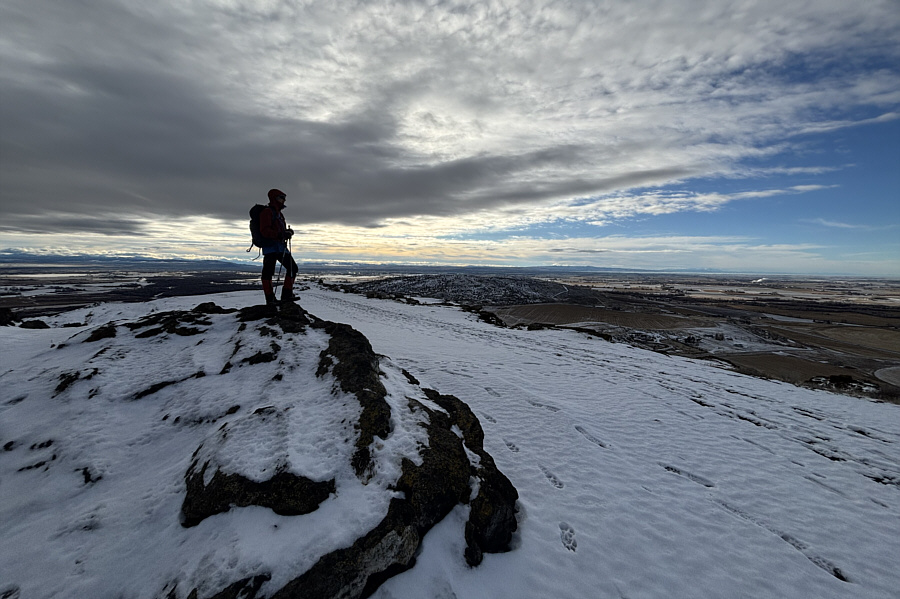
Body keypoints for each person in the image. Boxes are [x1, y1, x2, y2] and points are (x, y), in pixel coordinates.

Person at [259, 188, 299, 305]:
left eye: (284, 198)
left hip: (278, 247)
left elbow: (272, 230)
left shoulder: (278, 213)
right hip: (271, 247)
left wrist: (287, 232)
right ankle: (273, 298)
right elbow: (264, 231)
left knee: (291, 268)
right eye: (281, 198)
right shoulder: (268, 212)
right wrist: (282, 234)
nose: (284, 200)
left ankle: (283, 296)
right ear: (275, 198)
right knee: (268, 272)